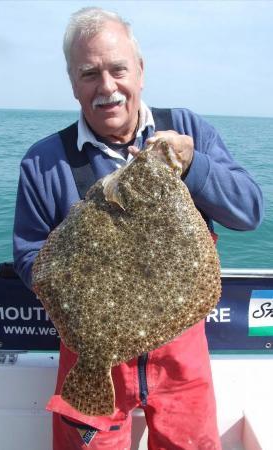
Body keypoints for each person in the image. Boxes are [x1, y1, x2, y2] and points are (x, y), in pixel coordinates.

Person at [13, 7, 264, 450]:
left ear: (141, 71)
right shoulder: (43, 161)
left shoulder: (187, 130)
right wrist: (82, 257)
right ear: (73, 83)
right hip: (91, 355)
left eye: (118, 69)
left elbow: (249, 211)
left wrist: (192, 166)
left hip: (179, 362)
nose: (106, 87)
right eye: (89, 73)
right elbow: (31, 259)